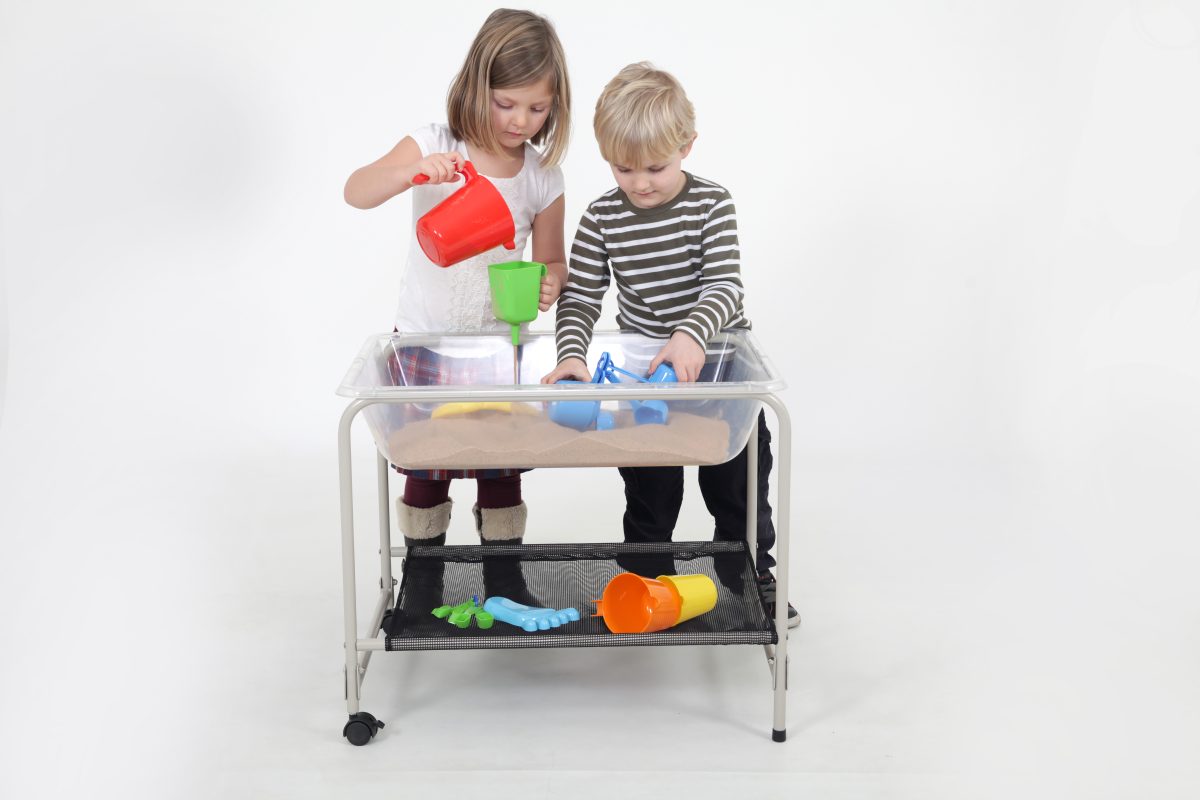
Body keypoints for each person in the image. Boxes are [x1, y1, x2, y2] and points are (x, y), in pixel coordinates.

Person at [542, 62, 798, 627]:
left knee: (736, 480)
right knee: (650, 489)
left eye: (655, 166)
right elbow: (581, 297)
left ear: (687, 145)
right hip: (643, 375)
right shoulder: (602, 217)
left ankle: (749, 572)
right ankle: (644, 577)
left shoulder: (711, 204)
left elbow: (725, 286)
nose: (639, 183)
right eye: (622, 167)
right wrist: (572, 355)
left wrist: (690, 334)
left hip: (719, 368)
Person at [344, 9, 570, 609]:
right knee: (427, 460)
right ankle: (424, 568)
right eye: (507, 103)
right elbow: (356, 189)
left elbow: (552, 259)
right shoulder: (437, 142)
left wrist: (550, 282)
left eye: (537, 108)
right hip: (424, 340)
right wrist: (408, 171)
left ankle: (503, 571)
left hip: (499, 344)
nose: (521, 121)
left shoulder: (543, 176)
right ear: (477, 88)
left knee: (501, 463)